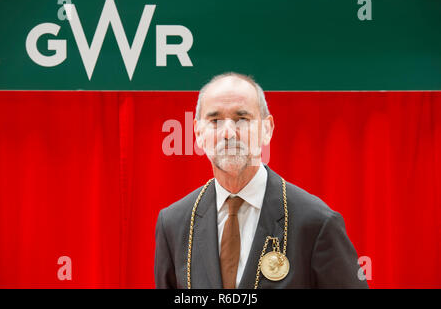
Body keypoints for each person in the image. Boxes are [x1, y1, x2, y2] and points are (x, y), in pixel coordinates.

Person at [154, 72, 368, 289]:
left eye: (242, 119)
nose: (228, 133)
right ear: (198, 133)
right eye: (215, 120)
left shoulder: (316, 223)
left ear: (267, 129)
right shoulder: (174, 223)